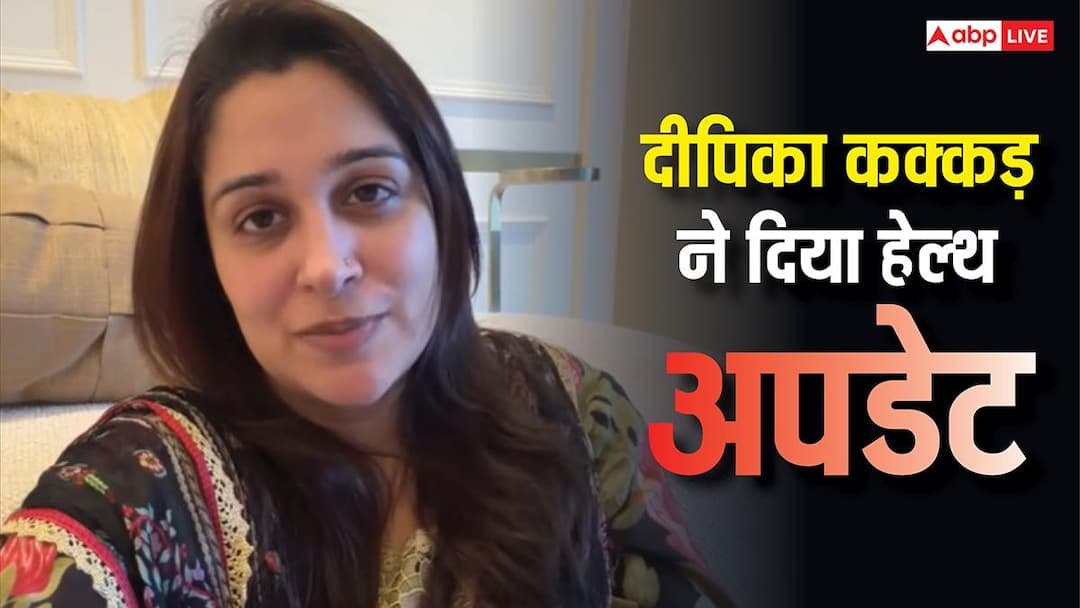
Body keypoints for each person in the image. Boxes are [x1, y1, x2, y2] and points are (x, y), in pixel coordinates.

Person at [0, 1, 733, 606]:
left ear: (439, 204)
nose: (328, 266)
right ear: (206, 260)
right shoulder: (141, 483)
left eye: (368, 191)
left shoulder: (576, 408)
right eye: (261, 217)